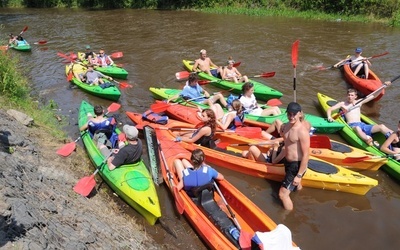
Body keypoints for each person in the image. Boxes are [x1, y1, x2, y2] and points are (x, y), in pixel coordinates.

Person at [326, 87, 392, 146]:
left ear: (355, 96)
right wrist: (329, 117)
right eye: (348, 95)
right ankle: (367, 139)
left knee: (382, 126)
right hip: (352, 125)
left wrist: (383, 86)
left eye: (352, 95)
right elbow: (329, 109)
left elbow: (373, 95)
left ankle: (395, 135)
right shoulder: (343, 104)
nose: (350, 97)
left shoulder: (359, 102)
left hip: (362, 124)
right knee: (358, 128)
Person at [279, 102, 310, 211]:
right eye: (289, 114)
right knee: (295, 185)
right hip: (288, 162)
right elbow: (286, 140)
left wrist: (299, 175)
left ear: (300, 114)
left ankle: (288, 217)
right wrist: (281, 131)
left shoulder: (302, 131)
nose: (291, 117)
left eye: (294, 114)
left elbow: (306, 155)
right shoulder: (286, 126)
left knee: (282, 194)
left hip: (296, 166)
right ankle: (300, 196)